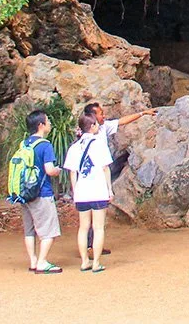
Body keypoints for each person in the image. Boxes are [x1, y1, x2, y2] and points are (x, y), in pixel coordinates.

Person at [80, 101, 156, 258]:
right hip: (93, 178)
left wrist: (143, 113)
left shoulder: (103, 128)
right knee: (91, 216)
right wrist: (108, 188)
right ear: (92, 117)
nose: (104, 115)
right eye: (101, 113)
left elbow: (122, 121)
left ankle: (93, 246)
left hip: (91, 180)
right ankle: (90, 247)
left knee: (94, 216)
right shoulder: (82, 137)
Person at [64, 111, 113, 273]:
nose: (98, 126)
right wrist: (109, 189)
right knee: (98, 227)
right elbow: (106, 168)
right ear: (91, 127)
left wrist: (75, 191)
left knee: (83, 227)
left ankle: (85, 261)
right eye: (96, 124)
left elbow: (72, 173)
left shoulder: (74, 147)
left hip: (82, 192)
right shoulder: (99, 144)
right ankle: (96, 262)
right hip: (98, 190)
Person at [20, 109, 65, 274]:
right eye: (48, 121)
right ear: (41, 125)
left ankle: (33, 260)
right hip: (41, 193)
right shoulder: (45, 145)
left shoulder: (25, 143)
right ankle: (42, 262)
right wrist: (58, 170)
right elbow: (49, 169)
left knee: (29, 229)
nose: (50, 124)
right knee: (48, 230)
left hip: (25, 193)